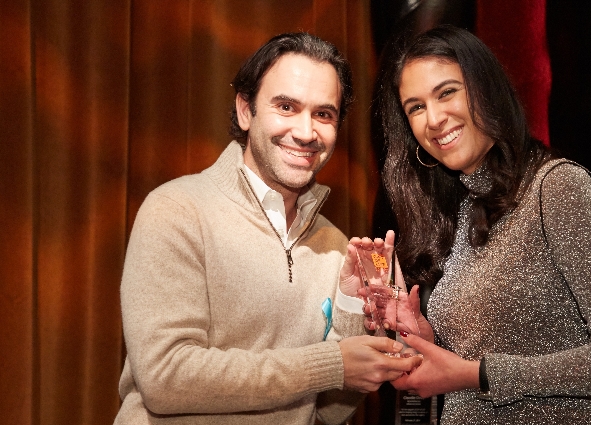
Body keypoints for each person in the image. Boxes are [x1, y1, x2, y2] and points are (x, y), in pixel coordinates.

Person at [114, 32, 421, 425]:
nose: (306, 132)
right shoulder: (176, 210)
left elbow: (331, 411)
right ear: (246, 110)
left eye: (323, 114)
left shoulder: (335, 246)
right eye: (287, 106)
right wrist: (331, 362)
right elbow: (166, 378)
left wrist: (351, 312)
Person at [368, 25, 591, 424]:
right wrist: (425, 339)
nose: (433, 119)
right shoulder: (462, 209)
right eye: (415, 107)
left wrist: (478, 374)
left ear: (485, 89)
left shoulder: (556, 186)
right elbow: (473, 356)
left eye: (447, 92)